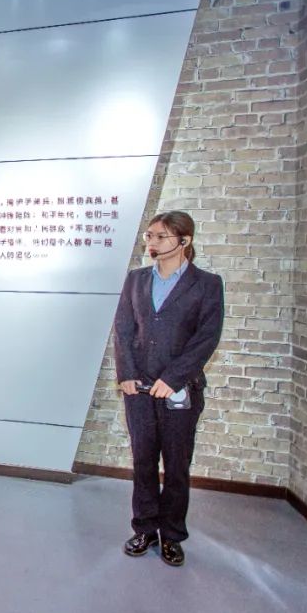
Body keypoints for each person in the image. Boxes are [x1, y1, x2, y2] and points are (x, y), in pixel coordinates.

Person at [114, 211, 224, 568]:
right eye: (149, 236)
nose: (152, 242)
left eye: (160, 236)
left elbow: (206, 337)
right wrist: (126, 374)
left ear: (184, 241)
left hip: (180, 391)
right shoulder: (136, 280)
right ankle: (145, 528)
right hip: (139, 390)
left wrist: (173, 378)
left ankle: (172, 535)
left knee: (176, 466)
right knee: (143, 461)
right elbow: (124, 329)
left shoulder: (207, 284)